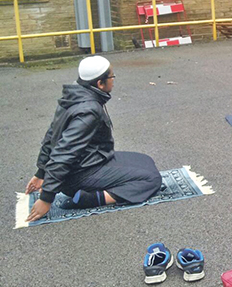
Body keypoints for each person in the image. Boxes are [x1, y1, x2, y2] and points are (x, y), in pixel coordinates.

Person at [25, 56, 162, 222]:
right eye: (112, 77)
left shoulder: (74, 95)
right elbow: (64, 152)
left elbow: (51, 135)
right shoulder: (89, 110)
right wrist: (47, 198)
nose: (113, 81)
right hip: (79, 174)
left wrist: (41, 173)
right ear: (99, 83)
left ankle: (93, 189)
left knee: (145, 161)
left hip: (91, 160)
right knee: (152, 179)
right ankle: (89, 199)